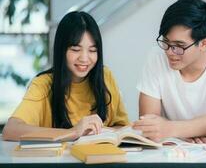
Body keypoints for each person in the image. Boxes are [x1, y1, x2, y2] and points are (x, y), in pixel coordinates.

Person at [133, 0, 206, 143]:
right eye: (166, 42)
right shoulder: (156, 58)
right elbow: (149, 123)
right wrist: (188, 133)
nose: (169, 51)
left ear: (204, 44)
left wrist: (170, 129)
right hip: (172, 149)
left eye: (179, 46)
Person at [3, 11, 129, 141]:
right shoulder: (43, 84)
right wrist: (73, 132)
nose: (84, 58)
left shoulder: (105, 77)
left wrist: (101, 130)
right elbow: (11, 130)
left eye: (92, 50)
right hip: (57, 160)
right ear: (61, 49)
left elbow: (123, 128)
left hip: (100, 159)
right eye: (75, 50)